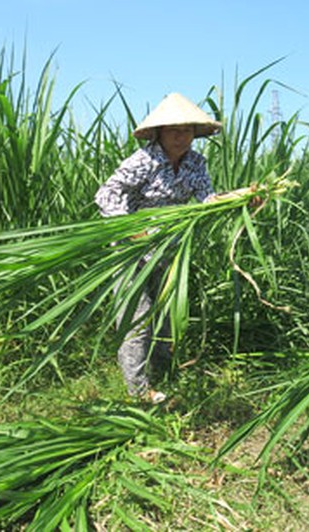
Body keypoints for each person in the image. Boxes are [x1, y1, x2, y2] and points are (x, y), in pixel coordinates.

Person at [94, 92, 222, 404]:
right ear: (160, 133)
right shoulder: (144, 160)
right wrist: (132, 229)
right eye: (175, 130)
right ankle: (138, 391)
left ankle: (164, 371)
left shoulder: (195, 163)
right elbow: (106, 195)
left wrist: (245, 197)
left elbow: (208, 199)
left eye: (188, 130)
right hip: (132, 250)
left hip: (168, 249)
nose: (182, 137)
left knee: (164, 313)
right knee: (137, 317)